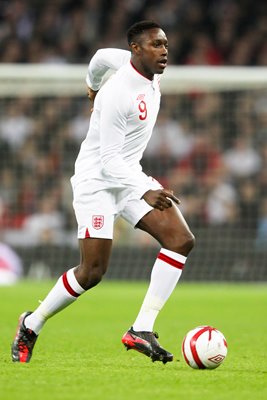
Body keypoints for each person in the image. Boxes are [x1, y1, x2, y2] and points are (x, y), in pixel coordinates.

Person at [11, 20, 195, 364]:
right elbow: (108, 161)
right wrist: (144, 190)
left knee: (180, 240)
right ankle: (31, 324)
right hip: (98, 180)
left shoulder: (138, 67)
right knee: (92, 272)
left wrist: (90, 85)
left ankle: (141, 328)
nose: (165, 51)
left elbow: (98, 58)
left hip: (128, 176)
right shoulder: (118, 95)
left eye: (165, 44)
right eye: (156, 45)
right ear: (136, 50)